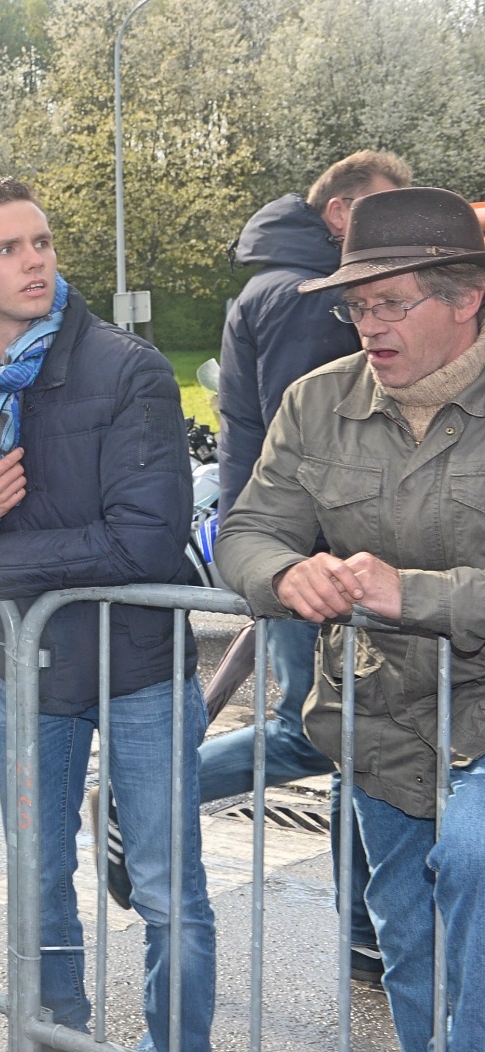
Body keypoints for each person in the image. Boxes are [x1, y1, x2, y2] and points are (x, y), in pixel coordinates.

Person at [0, 177, 214, 1050]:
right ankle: (55, 1036)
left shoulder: (128, 368)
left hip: (141, 667)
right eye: (7, 249)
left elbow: (146, 540)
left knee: (166, 888)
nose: (34, 260)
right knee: (38, 880)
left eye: (40, 242)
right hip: (27, 671)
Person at [216, 186, 485, 1051]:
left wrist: (419, 595)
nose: (369, 324)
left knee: (475, 870)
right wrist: (286, 572)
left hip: (479, 715)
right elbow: (250, 529)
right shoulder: (316, 402)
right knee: (407, 943)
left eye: (392, 302)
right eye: (357, 304)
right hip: (378, 727)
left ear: (465, 298)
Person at [193, 150, 406, 983]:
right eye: (385, 214)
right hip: (298, 552)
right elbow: (315, 438)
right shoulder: (304, 298)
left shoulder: (287, 284)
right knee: (314, 733)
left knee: (353, 737)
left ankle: (363, 921)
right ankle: (148, 794)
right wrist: (297, 558)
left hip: (301, 549)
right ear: (343, 214)